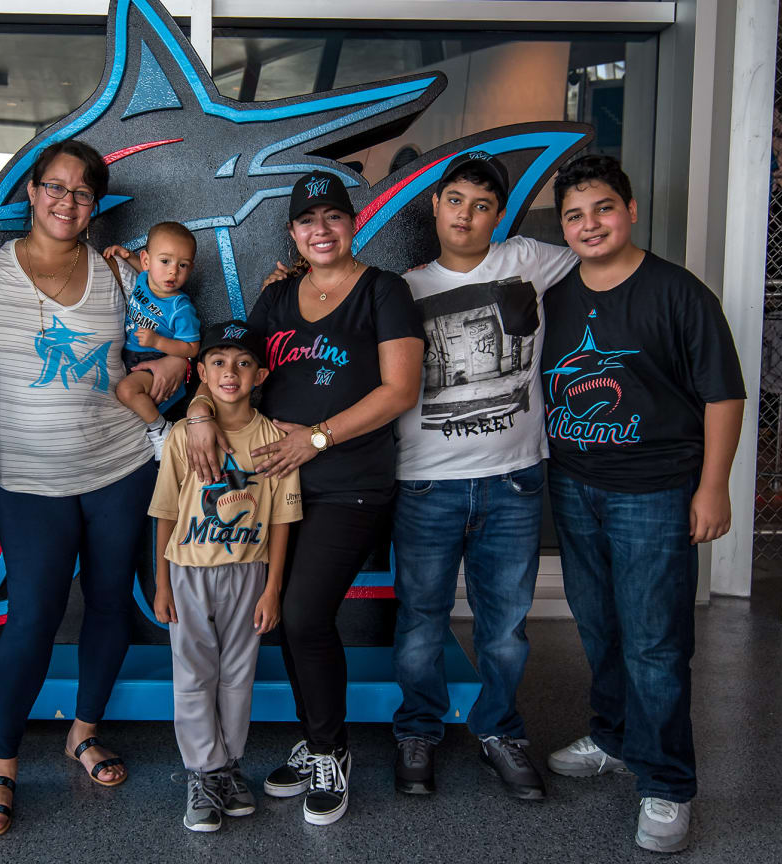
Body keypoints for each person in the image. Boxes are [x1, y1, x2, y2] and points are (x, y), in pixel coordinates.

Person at [185, 170, 423, 826]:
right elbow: (228, 364)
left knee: (302, 611)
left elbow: (399, 390)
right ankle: (318, 735)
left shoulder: (385, 291)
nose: (321, 229)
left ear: (354, 224)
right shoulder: (279, 296)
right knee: (282, 617)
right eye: (307, 220)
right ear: (292, 232)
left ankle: (330, 752)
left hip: (349, 485)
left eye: (334, 217)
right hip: (272, 488)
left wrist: (316, 438)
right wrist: (202, 411)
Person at [0, 139, 189, 837]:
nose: (67, 201)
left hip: (120, 468)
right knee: (31, 615)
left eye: (82, 192)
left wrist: (169, 376)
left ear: (96, 206)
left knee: (107, 607)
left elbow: (176, 354)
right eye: (55, 187)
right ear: (31, 192)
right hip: (29, 479)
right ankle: (0, 764)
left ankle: (83, 731)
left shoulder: (121, 278)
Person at [538, 154, 745, 854]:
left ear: (629, 210)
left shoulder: (678, 293)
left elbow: (724, 393)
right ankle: (616, 736)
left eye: (602, 209)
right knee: (598, 627)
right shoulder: (557, 293)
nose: (589, 224)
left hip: (655, 492)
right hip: (574, 484)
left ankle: (666, 783)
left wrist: (713, 485)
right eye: (574, 215)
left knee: (656, 643)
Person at [388, 151, 578, 798]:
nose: (465, 214)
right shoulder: (401, 288)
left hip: (515, 478)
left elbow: (596, 255)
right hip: (425, 483)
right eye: (455, 200)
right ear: (435, 207)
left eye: (481, 204)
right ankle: (418, 729)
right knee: (420, 620)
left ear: (498, 216)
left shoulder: (526, 260)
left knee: (504, 627)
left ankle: (500, 729)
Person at [149, 320, 302, 832]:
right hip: (189, 572)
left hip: (249, 574)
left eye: (242, 363)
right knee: (194, 676)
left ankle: (228, 766)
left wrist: (273, 587)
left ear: (260, 374)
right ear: (200, 371)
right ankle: (203, 771)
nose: (230, 372)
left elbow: (281, 518)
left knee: (238, 675)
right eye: (218, 361)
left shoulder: (276, 438)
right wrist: (163, 582)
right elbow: (165, 511)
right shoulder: (180, 435)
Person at [103, 222, 203, 455]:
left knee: (126, 391)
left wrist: (158, 341)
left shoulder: (180, 308)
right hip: (131, 355)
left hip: (157, 359)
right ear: (147, 261)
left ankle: (160, 430)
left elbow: (191, 347)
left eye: (183, 265)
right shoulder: (144, 278)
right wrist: (126, 255)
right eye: (165, 261)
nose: (173, 271)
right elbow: (142, 268)